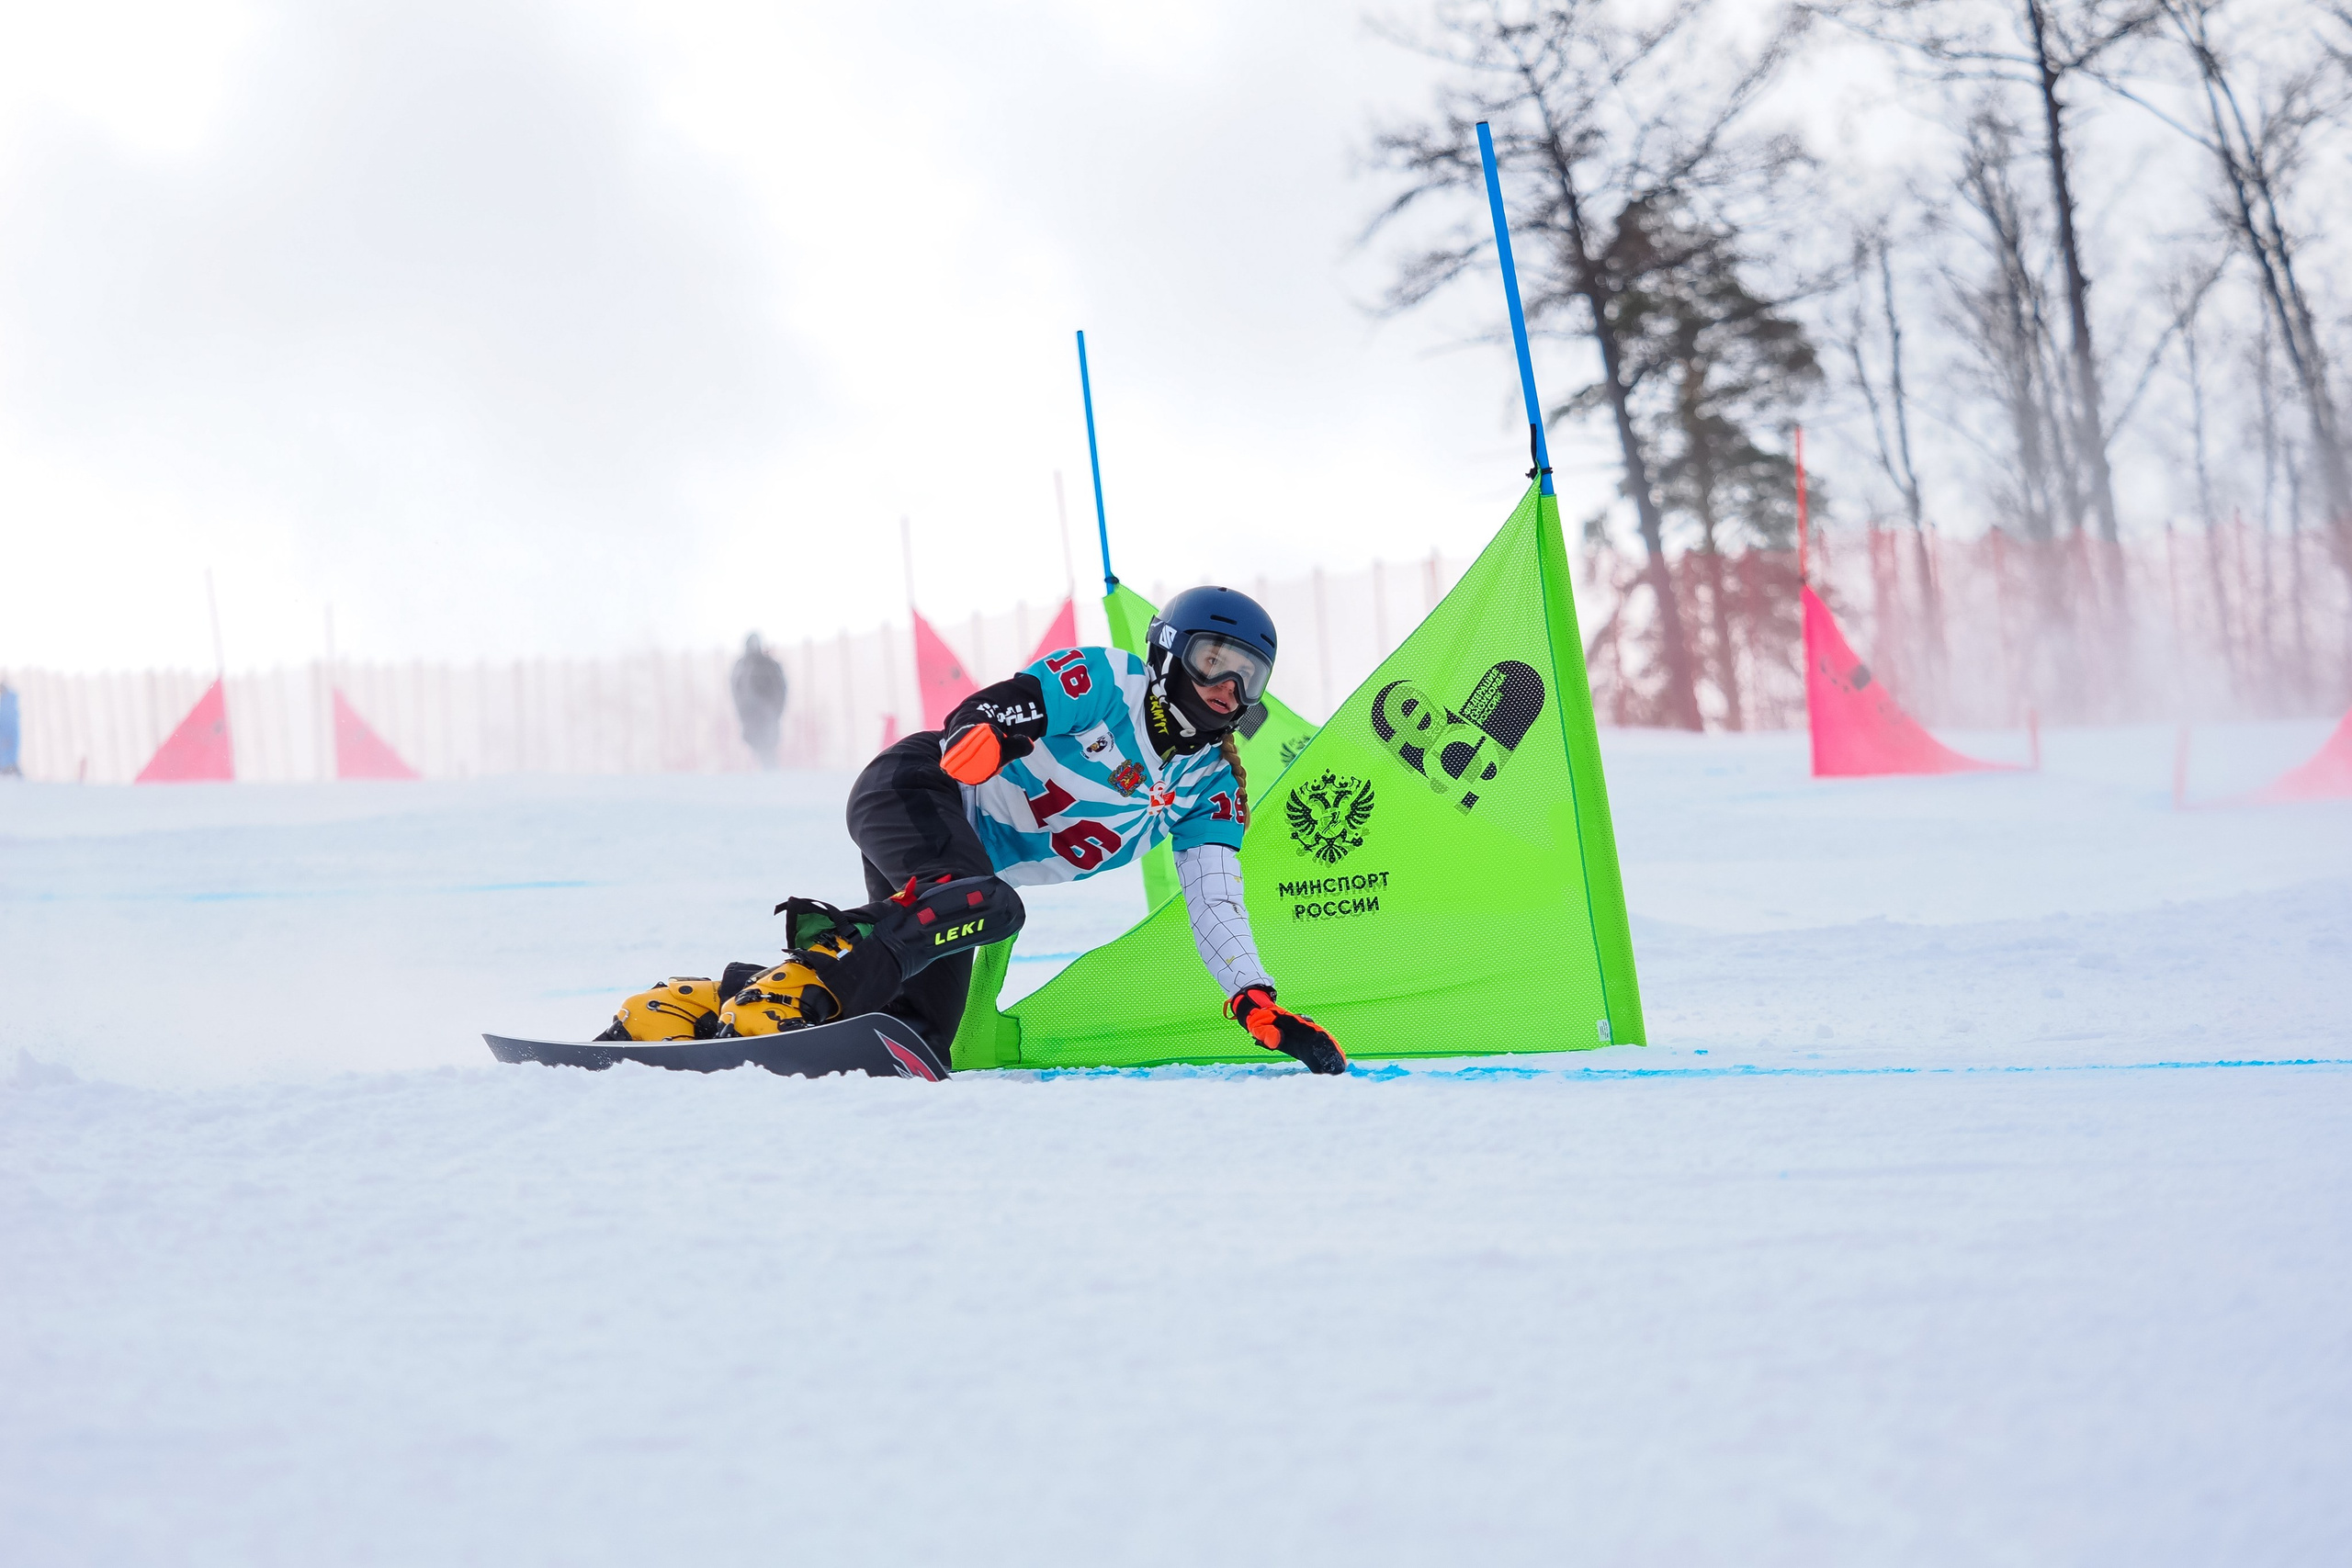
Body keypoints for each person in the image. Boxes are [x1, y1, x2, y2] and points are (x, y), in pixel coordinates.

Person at [598, 587, 1346, 1074]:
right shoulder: (1111, 682)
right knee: (990, 903)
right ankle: (801, 984)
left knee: (917, 1036)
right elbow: (1010, 701)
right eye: (1213, 661)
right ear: (1167, 653)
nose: (1227, 689)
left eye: (1247, 675)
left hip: (955, 876)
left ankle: (693, 1001)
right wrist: (982, 731)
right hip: (919, 788)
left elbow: (1216, 903)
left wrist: (1254, 997)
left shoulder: (1214, 784)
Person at [729, 633, 787, 769]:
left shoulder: (769, 665)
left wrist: (775, 711)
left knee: (767, 749)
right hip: (752, 716)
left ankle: (769, 773)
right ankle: (762, 775)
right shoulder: (742, 666)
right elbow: (736, 690)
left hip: (766, 715)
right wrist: (743, 711)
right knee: (758, 749)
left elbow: (780, 688)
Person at [0, 674, 19, 778]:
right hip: (6, 741)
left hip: (7, 741)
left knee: (8, 763)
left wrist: (6, 738)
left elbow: (8, 723)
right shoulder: (7, 701)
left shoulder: (7, 703)